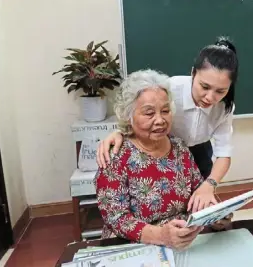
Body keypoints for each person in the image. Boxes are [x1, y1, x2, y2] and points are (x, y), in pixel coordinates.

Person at [97, 37, 239, 213]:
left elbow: (224, 152)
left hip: (196, 152)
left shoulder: (225, 107)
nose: (210, 97)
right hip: (162, 147)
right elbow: (137, 109)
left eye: (221, 91)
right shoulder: (169, 88)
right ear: (193, 73)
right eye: (204, 87)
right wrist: (120, 131)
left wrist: (209, 185)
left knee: (198, 204)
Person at [95, 69, 232, 250]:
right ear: (128, 117)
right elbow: (116, 218)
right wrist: (161, 236)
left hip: (184, 242)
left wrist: (213, 215)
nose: (160, 120)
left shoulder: (180, 148)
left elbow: (198, 195)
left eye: (165, 111)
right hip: (135, 246)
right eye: (149, 113)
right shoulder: (115, 156)